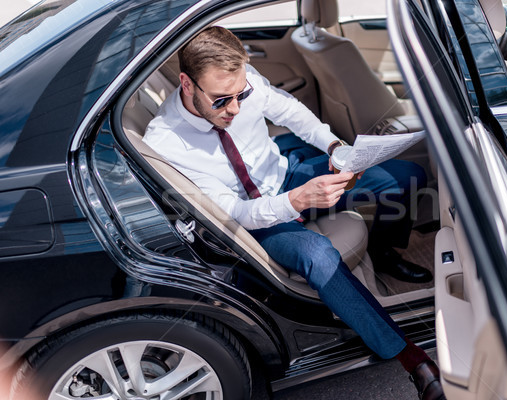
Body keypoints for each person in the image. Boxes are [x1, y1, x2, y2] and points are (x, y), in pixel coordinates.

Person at [144, 26, 444, 399]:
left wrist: (334, 147)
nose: (235, 109)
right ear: (187, 85)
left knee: (407, 178)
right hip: (252, 219)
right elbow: (235, 211)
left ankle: (384, 252)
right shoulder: (166, 142)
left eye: (241, 95)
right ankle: (411, 358)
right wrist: (298, 202)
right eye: (222, 101)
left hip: (285, 172)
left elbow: (291, 112)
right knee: (317, 255)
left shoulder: (243, 80)